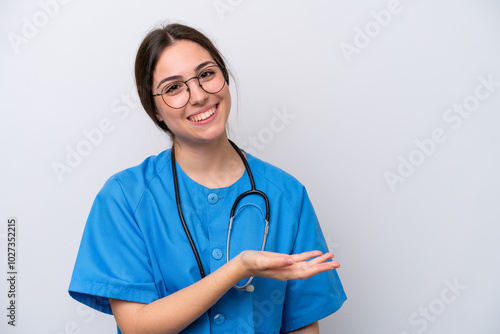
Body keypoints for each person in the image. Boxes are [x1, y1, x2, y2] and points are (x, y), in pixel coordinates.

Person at [68, 23, 346, 334]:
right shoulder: (124, 198)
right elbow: (137, 326)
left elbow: (303, 325)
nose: (198, 96)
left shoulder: (287, 195)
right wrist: (236, 270)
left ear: (224, 78)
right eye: (174, 88)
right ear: (155, 110)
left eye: (206, 74)